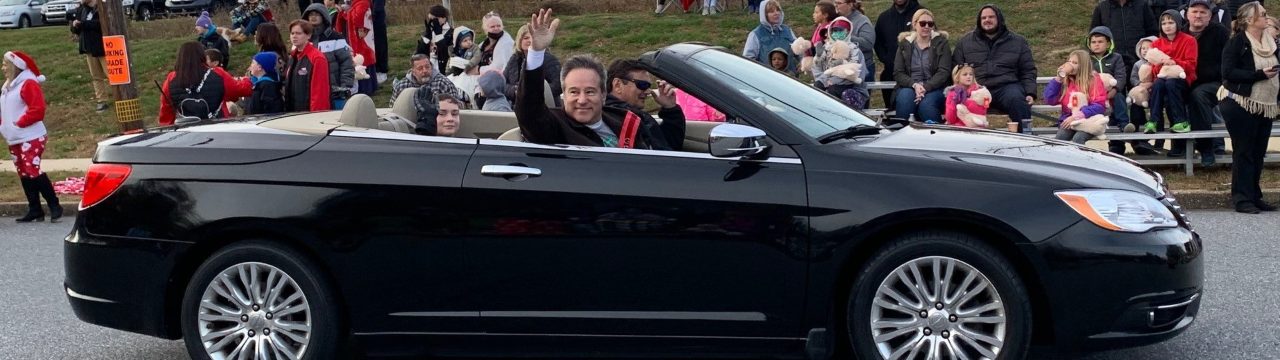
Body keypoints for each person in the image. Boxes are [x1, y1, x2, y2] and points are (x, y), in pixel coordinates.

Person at [516, 9, 677, 150]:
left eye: (590, 91)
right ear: (564, 94)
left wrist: (671, 111)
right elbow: (529, 111)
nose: (582, 100)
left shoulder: (625, 118)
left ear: (603, 95)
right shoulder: (552, 126)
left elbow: (663, 150)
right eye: (574, 92)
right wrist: (536, 52)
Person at [1219, 1, 1278, 213]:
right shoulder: (1237, 42)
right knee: (1244, 151)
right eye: (1261, 14)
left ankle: (1255, 195)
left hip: (1265, 104)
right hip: (1239, 102)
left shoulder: (1271, 42)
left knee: (1258, 152)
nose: (1266, 16)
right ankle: (1242, 199)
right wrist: (1259, 75)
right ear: (1249, 20)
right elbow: (1228, 73)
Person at [952, 4, 1037, 132]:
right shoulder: (965, 42)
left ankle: (1025, 137)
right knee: (959, 105)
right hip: (976, 88)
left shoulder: (1018, 42)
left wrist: (1030, 92)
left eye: (991, 17)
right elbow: (956, 70)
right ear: (979, 21)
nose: (987, 20)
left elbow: (1028, 70)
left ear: (999, 19)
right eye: (983, 18)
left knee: (1018, 101)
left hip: (1006, 87)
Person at [1, 51, 61, 223]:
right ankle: (35, 209)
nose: (3, 68)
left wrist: (19, 123)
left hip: (31, 135)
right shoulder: (7, 87)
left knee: (32, 169)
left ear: (15, 66)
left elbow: (38, 109)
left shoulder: (27, 84)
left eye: (6, 64)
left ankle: (54, 205)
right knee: (23, 172)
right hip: (14, 137)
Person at [1181, 0, 1232, 165]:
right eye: (1195, 11)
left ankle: (1206, 149)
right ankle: (1179, 147)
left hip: (1215, 82)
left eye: (1203, 12)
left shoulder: (1220, 32)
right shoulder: (1180, 33)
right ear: (1187, 14)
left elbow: (1227, 60)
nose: (1198, 15)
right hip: (1185, 79)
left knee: (1198, 96)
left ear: (1210, 16)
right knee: (1170, 93)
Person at [157, 42, 251, 125]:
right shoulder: (217, 73)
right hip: (217, 126)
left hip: (187, 131)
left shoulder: (171, 78)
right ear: (202, 56)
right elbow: (240, 90)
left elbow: (166, 111)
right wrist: (247, 79)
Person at [605, 59, 686, 151]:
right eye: (642, 85)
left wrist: (670, 108)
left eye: (648, 86)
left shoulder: (630, 115)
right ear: (617, 85)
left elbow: (668, 146)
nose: (648, 91)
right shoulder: (619, 118)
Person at [1085, 26, 1139, 155]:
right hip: (1093, 95)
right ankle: (1115, 145)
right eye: (1093, 42)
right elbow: (1083, 77)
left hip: (1112, 93)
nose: (1096, 45)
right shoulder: (1086, 59)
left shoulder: (1116, 57)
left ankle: (1124, 126)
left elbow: (1121, 76)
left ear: (1108, 43)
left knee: (1119, 99)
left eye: (1100, 42)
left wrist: (1114, 90)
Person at [892, 9, 951, 123]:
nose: (927, 26)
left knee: (926, 105)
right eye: (923, 23)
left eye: (930, 24)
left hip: (935, 88)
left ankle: (936, 137)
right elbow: (898, 72)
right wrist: (914, 85)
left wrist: (926, 87)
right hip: (909, 86)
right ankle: (901, 134)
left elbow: (943, 71)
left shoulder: (942, 43)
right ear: (915, 24)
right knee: (906, 98)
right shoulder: (904, 44)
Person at [1147, 10, 1198, 136]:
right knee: (1158, 83)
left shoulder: (1189, 40)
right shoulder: (1156, 43)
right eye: (1164, 23)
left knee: (1171, 83)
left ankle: (1181, 121)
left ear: (1178, 23)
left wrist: (1173, 62)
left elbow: (1191, 65)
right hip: (1162, 79)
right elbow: (1153, 70)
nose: (1167, 26)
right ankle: (1153, 121)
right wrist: (1162, 64)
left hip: (1183, 79)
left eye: (1171, 22)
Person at [1045, 50, 1110, 144]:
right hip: (1069, 121)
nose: (1071, 65)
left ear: (1083, 66)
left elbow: (1099, 105)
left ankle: (1081, 158)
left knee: (1078, 138)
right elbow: (1050, 100)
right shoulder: (1065, 81)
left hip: (1089, 120)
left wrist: (1079, 115)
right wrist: (1058, 79)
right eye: (1069, 62)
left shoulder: (1094, 80)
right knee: (1060, 139)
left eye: (1075, 63)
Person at [304, 3, 356, 110]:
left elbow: (346, 63)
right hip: (309, 90)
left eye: (316, 14)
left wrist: (344, 87)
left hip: (334, 89)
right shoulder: (303, 39)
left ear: (323, 16)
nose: (313, 17)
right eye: (311, 15)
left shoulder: (336, 37)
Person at [813, 17, 869, 110]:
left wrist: (835, 81)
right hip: (826, 87)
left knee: (843, 95)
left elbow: (858, 74)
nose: (836, 33)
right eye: (834, 30)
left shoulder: (855, 51)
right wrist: (824, 82)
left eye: (840, 30)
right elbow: (816, 69)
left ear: (848, 31)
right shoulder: (824, 50)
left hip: (852, 89)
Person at [876, 0, 924, 109]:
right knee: (891, 110)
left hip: (917, 74)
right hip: (891, 71)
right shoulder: (884, 17)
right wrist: (886, 59)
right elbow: (878, 42)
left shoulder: (922, 15)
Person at [504, 24, 563, 107]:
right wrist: (515, 91)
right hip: (517, 107)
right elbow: (502, 83)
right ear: (519, 41)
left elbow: (558, 85)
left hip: (544, 107)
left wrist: (534, 92)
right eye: (526, 38)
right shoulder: (514, 59)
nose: (530, 41)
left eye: (533, 37)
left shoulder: (549, 59)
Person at [1092, 0, 1160, 71]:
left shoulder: (1142, 5)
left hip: (1140, 60)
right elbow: (1094, 35)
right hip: (1112, 62)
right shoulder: (1102, 7)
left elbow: (1152, 32)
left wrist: (1146, 51)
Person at [284, 20, 332, 112]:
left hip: (309, 115)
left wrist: (316, 115)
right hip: (292, 113)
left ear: (308, 35)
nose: (294, 36)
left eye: (298, 33)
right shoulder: (292, 57)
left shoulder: (317, 58)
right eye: (292, 33)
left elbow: (320, 92)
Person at [71, 0, 109, 112]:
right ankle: (101, 100)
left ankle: (120, 97)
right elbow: (76, 29)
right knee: (96, 76)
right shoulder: (82, 9)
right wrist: (75, 26)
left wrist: (83, 24)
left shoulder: (102, 6)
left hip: (102, 47)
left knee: (111, 75)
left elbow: (101, 24)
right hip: (89, 48)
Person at [743, 0, 798, 75]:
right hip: (768, 78)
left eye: (778, 10)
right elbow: (748, 59)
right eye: (771, 11)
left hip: (790, 77)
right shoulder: (756, 34)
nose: (776, 13)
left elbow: (798, 50)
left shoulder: (787, 30)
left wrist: (802, 61)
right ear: (764, 15)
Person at [391, 54, 464, 107]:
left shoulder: (443, 83)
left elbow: (458, 106)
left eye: (427, 67)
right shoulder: (402, 86)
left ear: (431, 67)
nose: (425, 71)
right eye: (420, 68)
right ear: (413, 71)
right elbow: (392, 107)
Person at [833, 0, 875, 85]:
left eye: (839, 3)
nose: (836, 6)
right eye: (835, 3)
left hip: (861, 69)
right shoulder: (835, 21)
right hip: (839, 69)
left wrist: (846, 37)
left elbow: (868, 44)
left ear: (850, 5)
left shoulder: (862, 21)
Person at [346, 0, 376, 95]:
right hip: (362, 36)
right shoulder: (361, 3)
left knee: (362, 60)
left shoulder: (361, 3)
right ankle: (371, 85)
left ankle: (365, 87)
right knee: (366, 59)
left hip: (359, 36)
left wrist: (360, 28)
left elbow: (358, 16)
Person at [417, 5, 453, 73]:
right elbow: (418, 55)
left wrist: (439, 35)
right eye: (430, 19)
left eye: (435, 19)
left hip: (442, 68)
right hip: (426, 66)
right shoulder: (430, 32)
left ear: (444, 18)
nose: (432, 22)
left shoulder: (451, 33)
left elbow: (446, 55)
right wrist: (426, 38)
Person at [372, 0, 388, 84]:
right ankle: (375, 69)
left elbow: (378, 6)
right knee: (372, 46)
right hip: (369, 19)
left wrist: (373, 14)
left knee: (380, 45)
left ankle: (382, 71)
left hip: (377, 20)